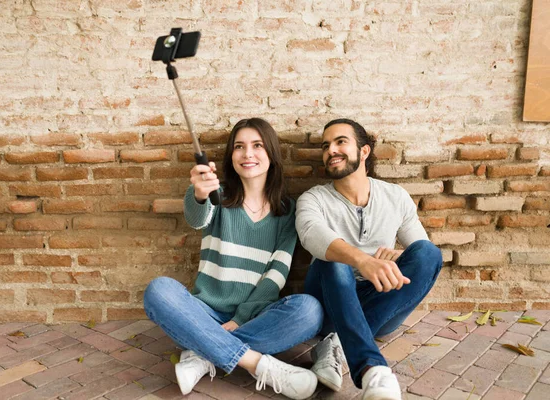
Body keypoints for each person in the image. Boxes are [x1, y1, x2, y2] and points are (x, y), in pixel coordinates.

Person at [144, 118, 323, 400]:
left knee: (309, 310)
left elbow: (277, 273)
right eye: (239, 147)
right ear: (231, 156)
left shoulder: (287, 210)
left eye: (257, 146)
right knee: (159, 291)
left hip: (256, 315)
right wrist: (200, 192)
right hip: (204, 312)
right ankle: (256, 363)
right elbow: (196, 218)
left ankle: (204, 353)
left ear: (272, 154)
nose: (247, 154)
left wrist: (240, 319)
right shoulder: (219, 196)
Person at [295, 119, 442, 400]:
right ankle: (373, 370)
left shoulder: (395, 196)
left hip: (382, 302)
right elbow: (312, 236)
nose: (331, 151)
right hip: (329, 300)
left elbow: (420, 248)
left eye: (340, 142)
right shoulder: (313, 199)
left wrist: (395, 256)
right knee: (332, 258)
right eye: (326, 146)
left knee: (429, 254)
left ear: (364, 152)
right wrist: (362, 260)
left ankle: (337, 344)